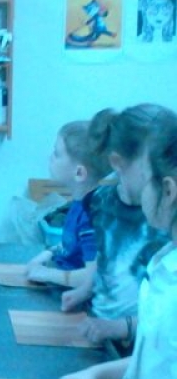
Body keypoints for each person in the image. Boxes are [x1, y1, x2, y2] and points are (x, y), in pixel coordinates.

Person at [30, 109, 177, 379]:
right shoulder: (165, 262)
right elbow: (158, 361)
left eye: (139, 184)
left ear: (168, 191)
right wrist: (97, 373)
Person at [61, 104, 171, 349]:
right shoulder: (99, 202)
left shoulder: (165, 217)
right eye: (155, 166)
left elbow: (165, 315)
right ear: (117, 162)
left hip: (146, 343)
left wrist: (120, 327)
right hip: (100, 331)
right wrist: (85, 290)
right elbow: (104, 259)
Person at [25, 120, 112, 286]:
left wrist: (47, 274)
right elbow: (72, 245)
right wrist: (47, 254)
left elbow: (92, 278)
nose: (51, 158)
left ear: (79, 173)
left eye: (57, 154)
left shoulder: (91, 216)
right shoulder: (78, 204)